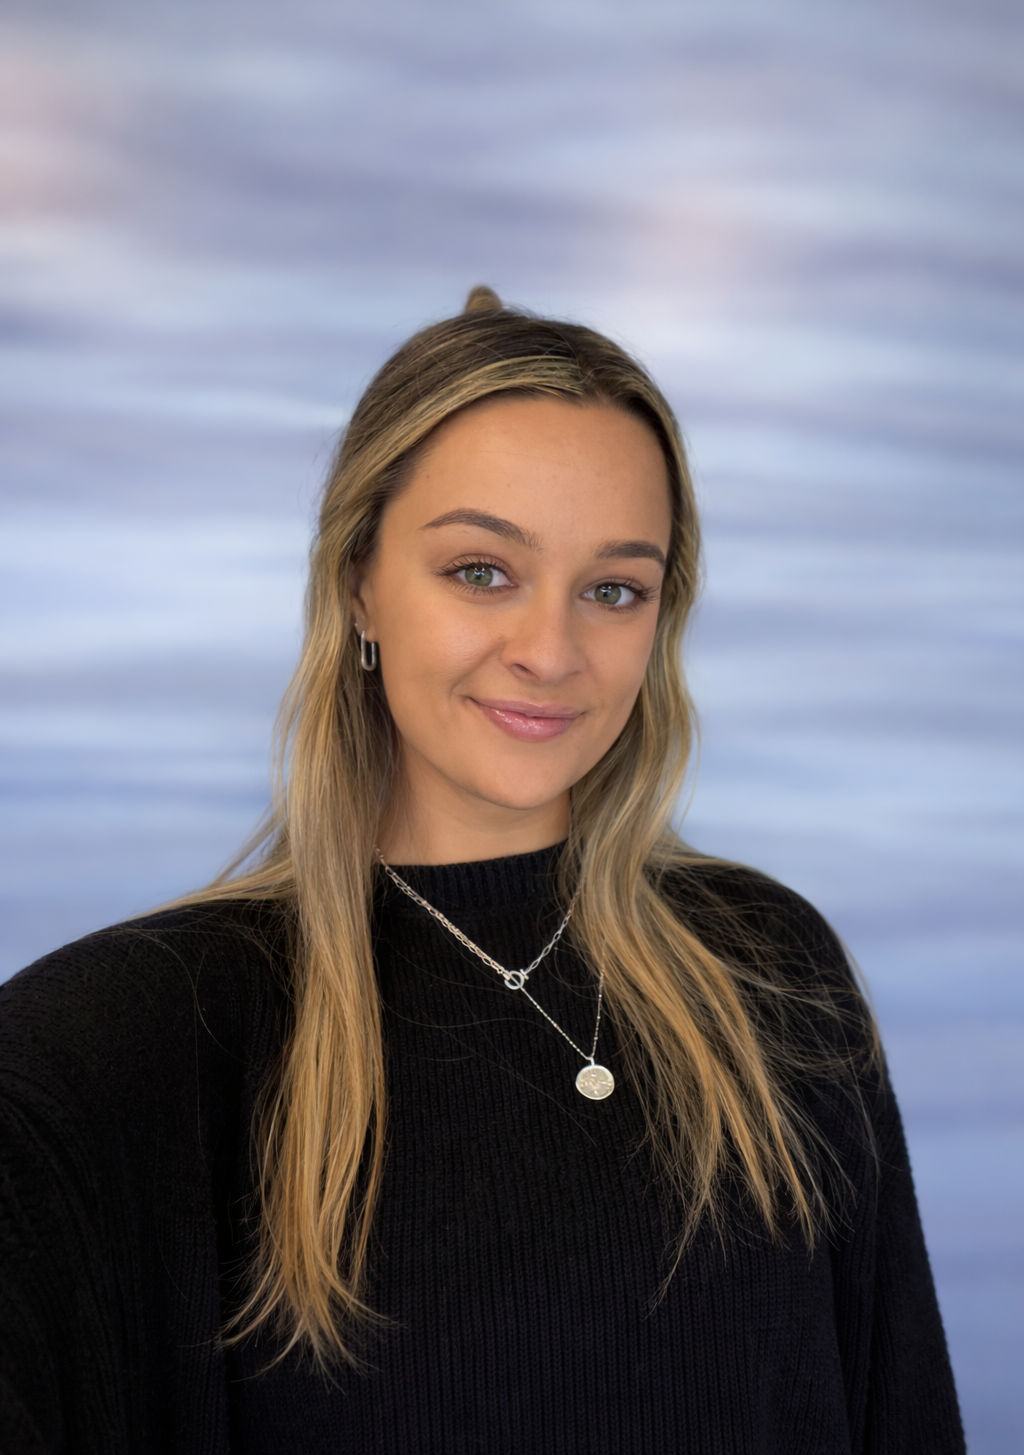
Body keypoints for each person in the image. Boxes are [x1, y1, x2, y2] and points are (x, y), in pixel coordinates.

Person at [0, 287, 963, 1454]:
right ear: (358, 581)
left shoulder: (769, 973)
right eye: (480, 571)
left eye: (614, 590)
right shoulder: (118, 1051)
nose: (550, 653)